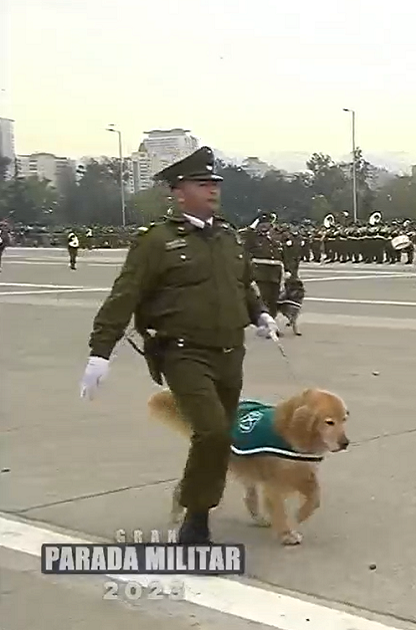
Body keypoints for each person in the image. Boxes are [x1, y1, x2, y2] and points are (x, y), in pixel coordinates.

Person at [78, 146, 280, 544]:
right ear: (178, 191)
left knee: (221, 434)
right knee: (212, 432)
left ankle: (194, 505)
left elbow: (243, 283)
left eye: (214, 184)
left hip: (229, 351)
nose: (212, 191)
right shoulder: (157, 241)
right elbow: (126, 295)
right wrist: (101, 351)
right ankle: (196, 524)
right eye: (202, 184)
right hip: (183, 352)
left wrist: (260, 314)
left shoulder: (227, 235)